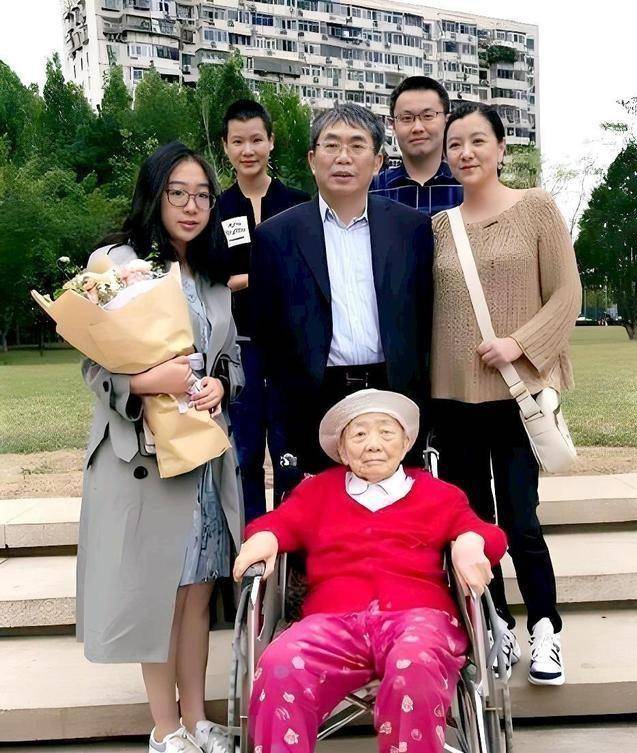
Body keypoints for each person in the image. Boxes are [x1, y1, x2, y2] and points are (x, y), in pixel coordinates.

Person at [76, 142, 244, 753]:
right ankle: (165, 728)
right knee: (160, 593)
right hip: (145, 458)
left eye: (203, 195)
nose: (192, 206)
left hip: (202, 455)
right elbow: (94, 367)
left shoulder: (212, 273)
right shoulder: (118, 264)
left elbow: (232, 357)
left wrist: (222, 382)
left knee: (197, 593)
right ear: (155, 195)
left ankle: (197, 720)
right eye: (178, 193)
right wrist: (151, 381)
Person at [233, 389, 508, 753]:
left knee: (415, 664)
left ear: (406, 443)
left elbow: (488, 534)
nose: (373, 444)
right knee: (280, 663)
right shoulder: (317, 492)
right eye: (359, 434)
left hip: (418, 618)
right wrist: (264, 538)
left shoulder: (438, 494)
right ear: (342, 449)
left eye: (386, 432)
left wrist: (470, 542)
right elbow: (277, 524)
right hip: (331, 620)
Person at [431, 103, 582, 686]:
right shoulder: (439, 228)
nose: (466, 153)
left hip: (518, 396)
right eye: (456, 144)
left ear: (500, 148)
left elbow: (567, 295)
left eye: (478, 141)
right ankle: (495, 626)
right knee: (474, 523)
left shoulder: (536, 207)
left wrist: (519, 344)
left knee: (521, 517)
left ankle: (546, 628)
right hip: (454, 401)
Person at [250, 103, 434, 478]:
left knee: (395, 507)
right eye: (331, 145)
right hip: (312, 400)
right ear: (312, 159)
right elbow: (265, 332)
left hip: (392, 395)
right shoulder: (275, 236)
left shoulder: (411, 229)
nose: (343, 157)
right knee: (319, 508)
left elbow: (426, 317)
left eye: (357, 145)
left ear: (378, 161)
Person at [218, 99, 310, 521]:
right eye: (238, 141)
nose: (248, 150)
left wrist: (243, 278)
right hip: (239, 350)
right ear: (226, 146)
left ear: (271, 141)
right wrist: (255, 278)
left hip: (292, 351)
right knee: (245, 456)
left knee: (292, 457)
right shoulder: (215, 209)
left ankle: (293, 551)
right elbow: (211, 280)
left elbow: (309, 275)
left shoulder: (299, 204)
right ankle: (251, 547)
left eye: (256, 139)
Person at [371, 76, 462, 214]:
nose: (417, 128)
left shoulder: (469, 186)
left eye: (428, 116)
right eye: (406, 118)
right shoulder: (372, 190)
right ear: (393, 125)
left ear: (446, 121)